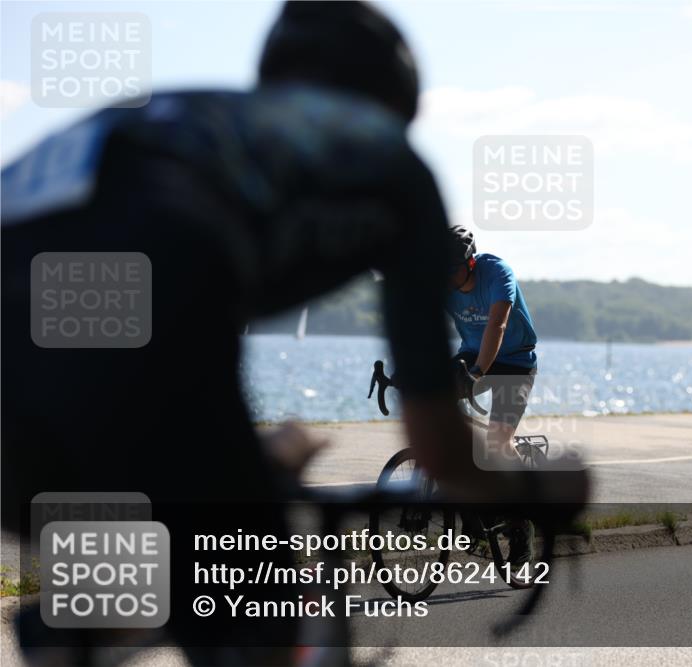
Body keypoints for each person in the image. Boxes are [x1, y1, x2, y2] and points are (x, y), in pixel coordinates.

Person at [2, 2, 467, 663]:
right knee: (258, 615)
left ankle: (91, 623)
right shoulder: (385, 155)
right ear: (392, 105)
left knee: (175, 561)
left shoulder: (188, 116)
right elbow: (441, 451)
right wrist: (533, 489)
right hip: (133, 341)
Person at [445, 225, 540, 565]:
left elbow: (497, 325)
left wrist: (477, 374)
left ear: (470, 263)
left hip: (515, 361)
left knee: (499, 441)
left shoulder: (497, 273)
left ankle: (522, 524)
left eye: (453, 269)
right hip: (472, 355)